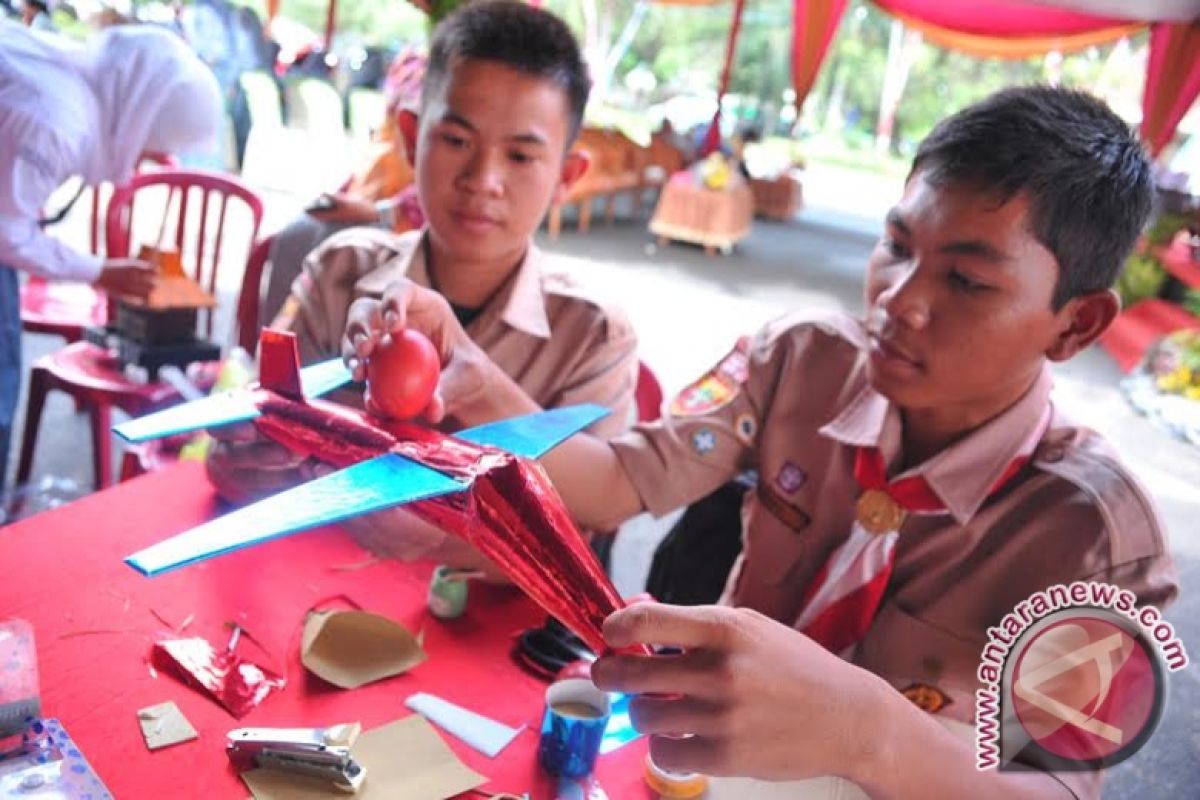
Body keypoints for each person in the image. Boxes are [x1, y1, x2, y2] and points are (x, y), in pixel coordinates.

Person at [342, 86, 1178, 798]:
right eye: (896, 246)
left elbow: (1061, 787)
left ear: (1077, 324)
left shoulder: (1093, 536)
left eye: (964, 279)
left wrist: (871, 732)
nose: (898, 300)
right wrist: (469, 369)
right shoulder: (802, 361)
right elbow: (611, 482)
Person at [206, 0, 638, 571]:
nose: (483, 181)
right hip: (314, 594)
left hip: (480, 636)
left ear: (566, 176)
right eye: (457, 141)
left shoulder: (591, 336)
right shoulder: (340, 275)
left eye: (520, 155)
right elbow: (262, 430)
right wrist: (239, 460)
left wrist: (446, 536)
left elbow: (590, 523)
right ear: (411, 137)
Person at [0, 22, 224, 488]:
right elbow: (6, 232)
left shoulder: (69, 87)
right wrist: (100, 271)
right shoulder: (58, 121)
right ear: (142, 114)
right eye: (154, 146)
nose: (151, 159)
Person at [257, 47, 427, 323]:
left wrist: (380, 212)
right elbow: (383, 145)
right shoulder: (414, 59)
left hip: (405, 222)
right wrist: (343, 195)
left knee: (322, 247)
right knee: (295, 234)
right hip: (371, 200)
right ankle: (269, 352)